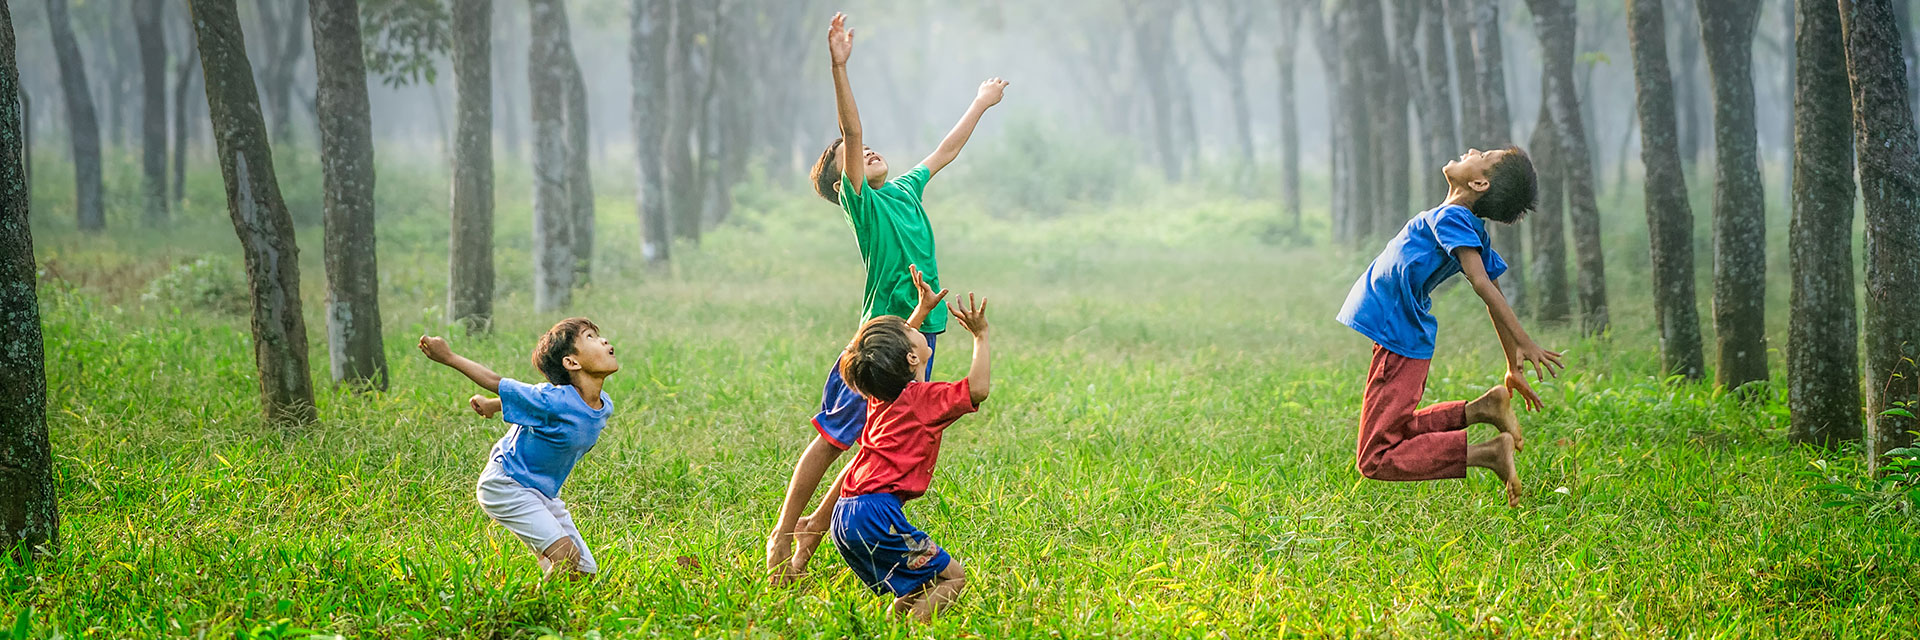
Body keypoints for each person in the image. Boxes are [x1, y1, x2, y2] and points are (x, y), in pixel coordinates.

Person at [766, 10, 1010, 580]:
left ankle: (809, 544)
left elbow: (945, 151)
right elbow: (851, 132)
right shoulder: (864, 204)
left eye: (871, 149)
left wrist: (980, 102)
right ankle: (784, 534)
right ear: (841, 181)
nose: (867, 150)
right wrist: (838, 66)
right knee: (834, 439)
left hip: (920, 335)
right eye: (852, 157)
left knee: (879, 447)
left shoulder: (904, 189)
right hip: (880, 340)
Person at [1334, 146, 1563, 508]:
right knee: (1397, 430)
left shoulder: (1454, 218)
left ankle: (1488, 454)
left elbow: (1484, 284)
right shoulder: (1461, 221)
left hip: (1399, 335)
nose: (1472, 149)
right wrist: (1511, 364)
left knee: (1375, 456)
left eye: (1483, 154)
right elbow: (1493, 291)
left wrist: (1524, 341)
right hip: (1400, 333)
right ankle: (1482, 410)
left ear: (1479, 182)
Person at [830, 285, 991, 622]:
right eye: (910, 330)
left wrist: (919, 313)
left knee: (917, 585)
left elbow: (892, 356)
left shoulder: (880, 394)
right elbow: (977, 389)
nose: (913, 326)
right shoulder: (924, 401)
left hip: (845, 515)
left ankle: (891, 626)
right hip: (876, 516)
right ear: (911, 357)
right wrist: (980, 336)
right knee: (953, 577)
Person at [418, 318, 619, 578]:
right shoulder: (552, 399)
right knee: (566, 558)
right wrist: (448, 356)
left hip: (542, 494)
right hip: (507, 484)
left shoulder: (604, 405)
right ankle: (526, 611)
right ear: (571, 362)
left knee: (583, 572)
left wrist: (492, 405)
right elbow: (496, 381)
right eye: (590, 337)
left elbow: (533, 406)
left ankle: (554, 595)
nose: (603, 341)